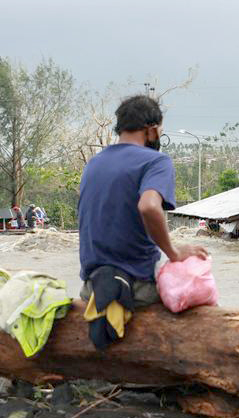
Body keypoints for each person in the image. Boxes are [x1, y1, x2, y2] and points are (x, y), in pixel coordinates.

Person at [78, 95, 208, 310]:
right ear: (152, 129)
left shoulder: (94, 163)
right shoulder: (156, 161)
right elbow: (148, 206)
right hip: (136, 288)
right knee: (199, 291)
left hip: (92, 288)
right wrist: (174, 253)